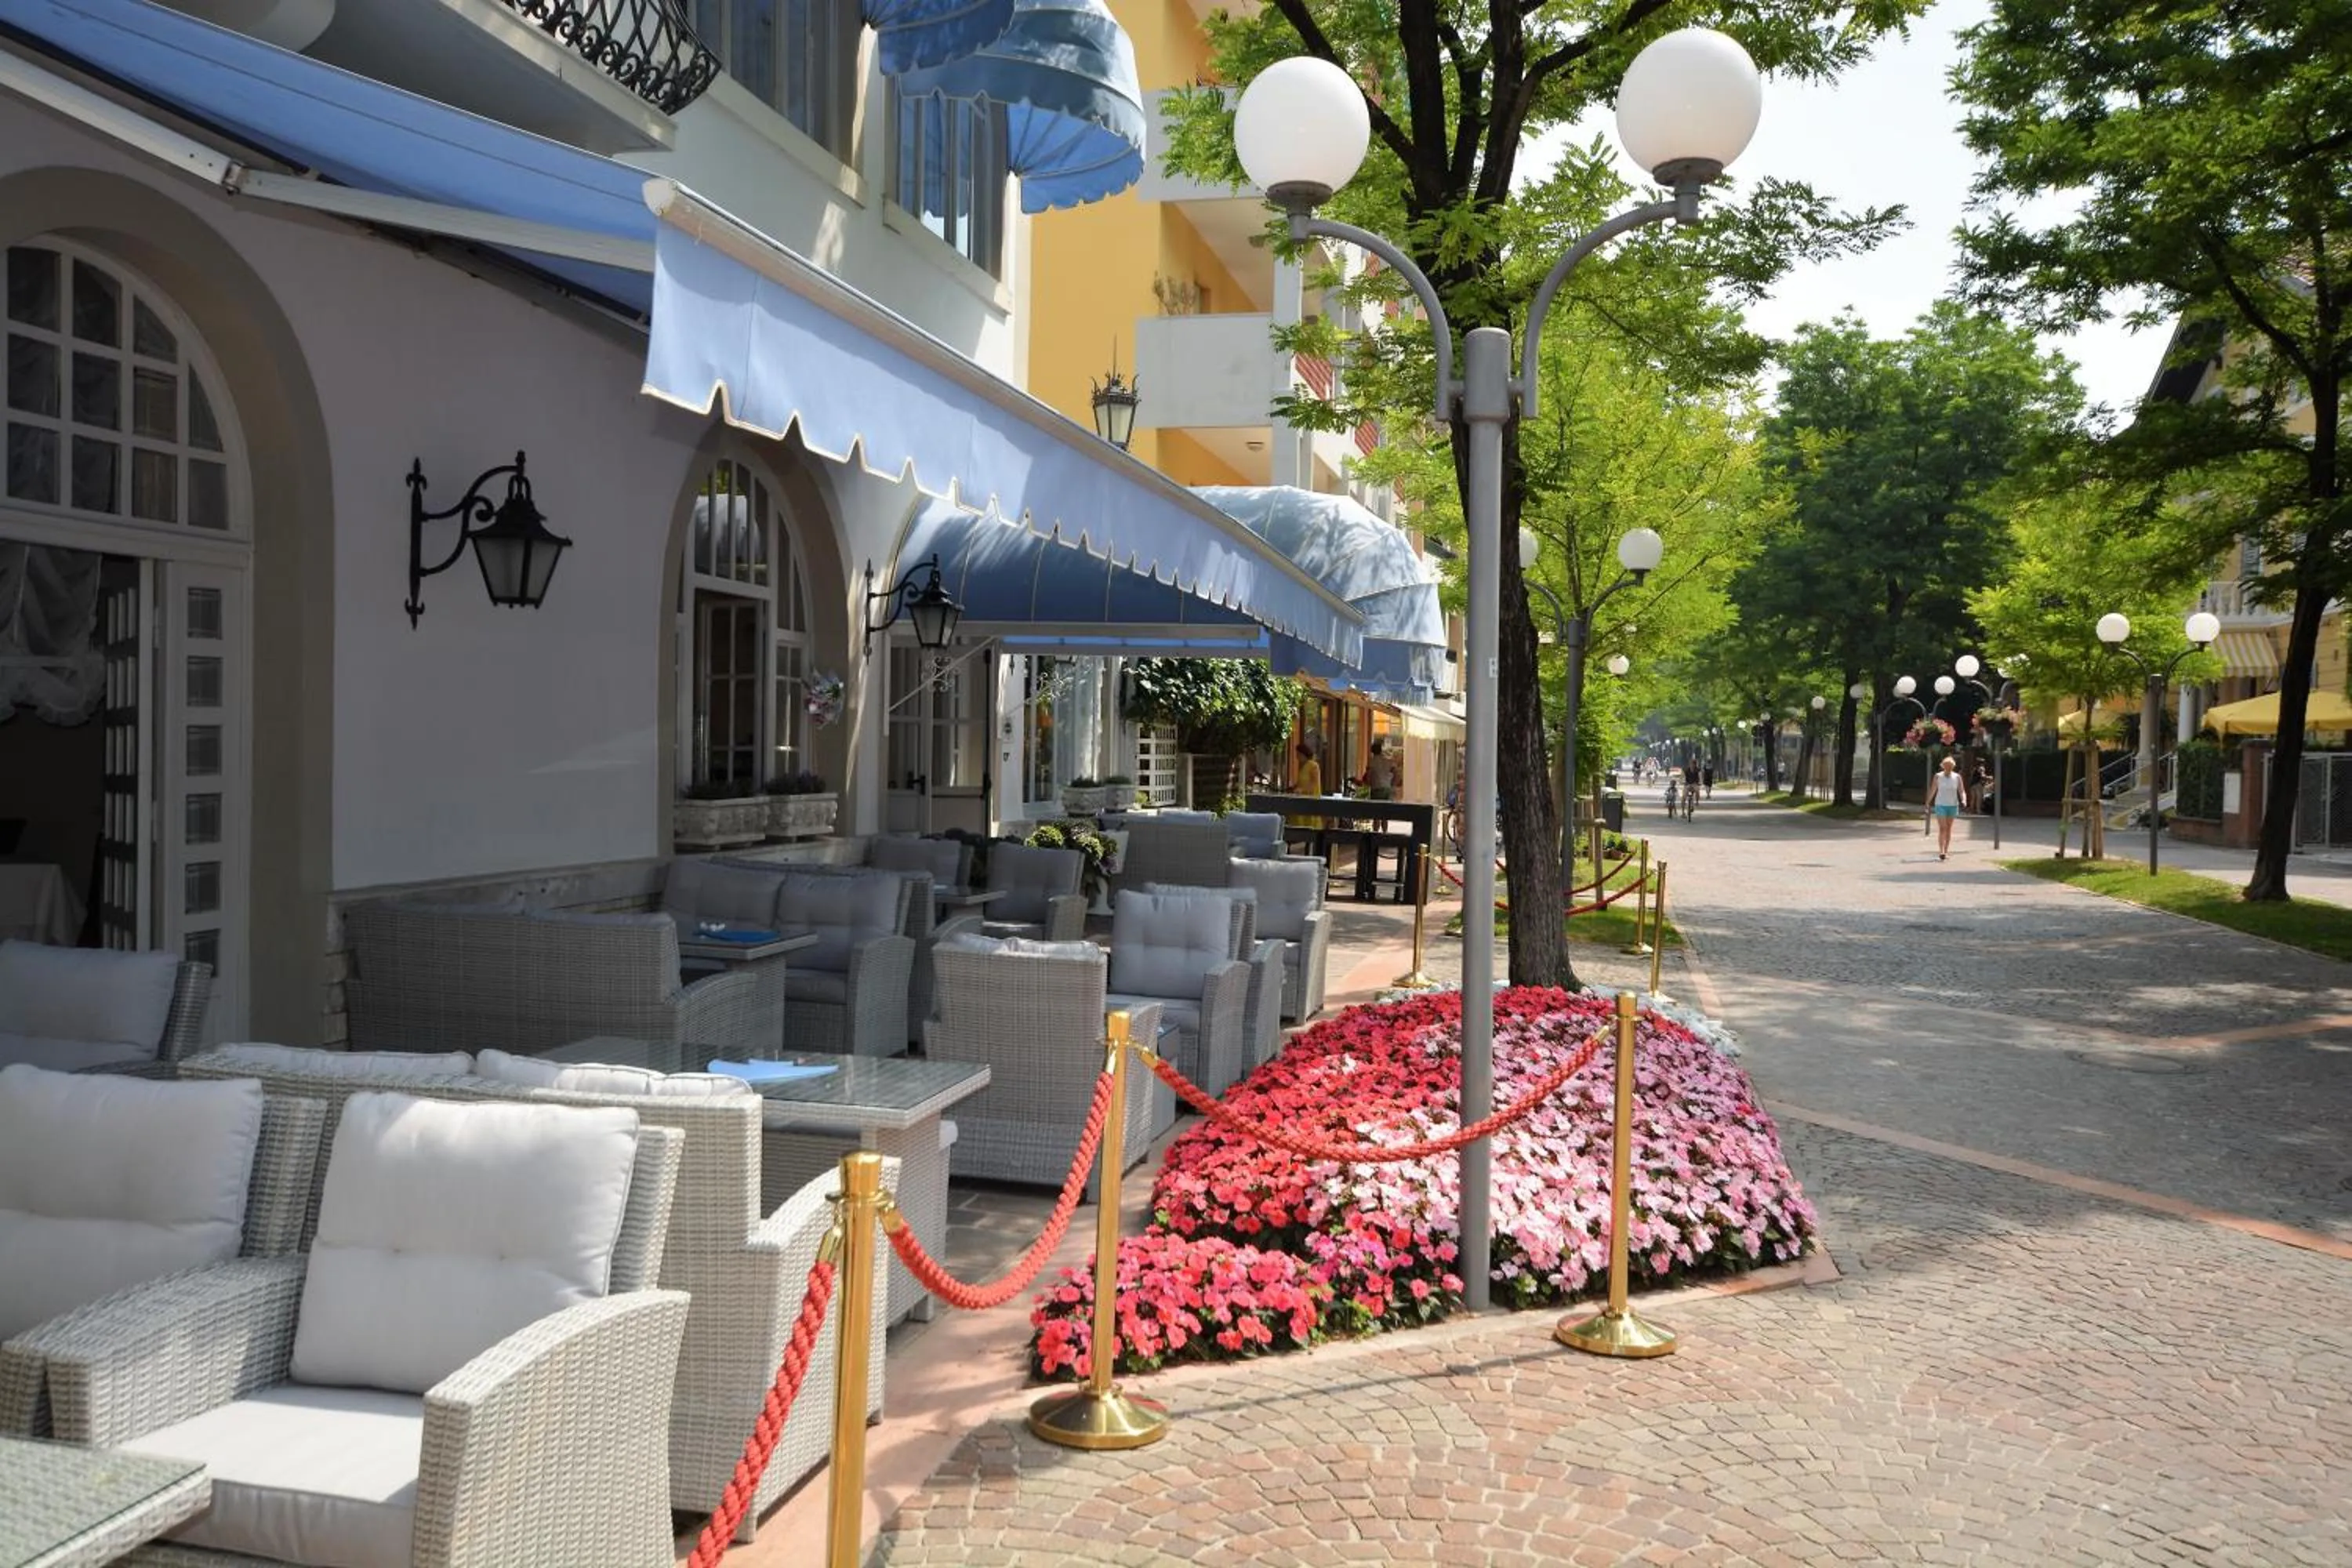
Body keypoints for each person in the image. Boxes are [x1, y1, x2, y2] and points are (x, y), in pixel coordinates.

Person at [1926, 754, 1969, 858]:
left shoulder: (1957, 777)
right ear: (1943, 766)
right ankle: (1941, 852)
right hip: (1940, 804)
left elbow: (1962, 791)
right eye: (1946, 766)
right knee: (1942, 828)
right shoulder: (1938, 776)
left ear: (1953, 767)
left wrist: (1964, 800)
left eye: (1950, 766)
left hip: (1953, 805)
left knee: (1949, 828)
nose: (1948, 768)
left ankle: (1946, 851)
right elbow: (1933, 790)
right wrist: (1928, 802)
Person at [1365, 735, 1396, 800]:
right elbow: (1397, 773)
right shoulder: (1387, 760)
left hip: (1377, 789)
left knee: (1377, 809)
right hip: (1388, 789)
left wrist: (1368, 785)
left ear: (1372, 751)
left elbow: (1368, 776)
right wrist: (1393, 784)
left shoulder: (1372, 762)